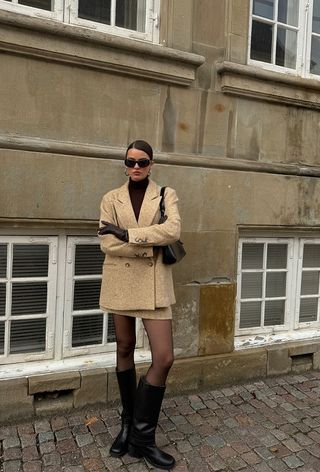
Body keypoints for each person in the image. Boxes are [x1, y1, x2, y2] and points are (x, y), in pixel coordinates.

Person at [98, 139, 181, 470]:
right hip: (120, 280)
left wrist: (128, 235)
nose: (136, 166)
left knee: (164, 357)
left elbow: (173, 230)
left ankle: (142, 440)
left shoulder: (165, 195)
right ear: (124, 163)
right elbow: (106, 243)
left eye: (142, 162)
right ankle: (129, 426)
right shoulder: (110, 198)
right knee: (124, 347)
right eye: (130, 161)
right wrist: (147, 240)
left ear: (151, 164)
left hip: (154, 284)